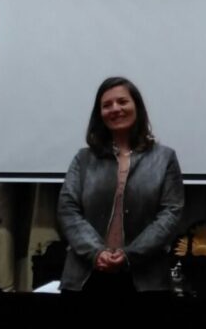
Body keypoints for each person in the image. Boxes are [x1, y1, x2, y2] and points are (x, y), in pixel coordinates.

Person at [57, 76, 185, 298]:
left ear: (137, 107)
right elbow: (68, 210)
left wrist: (129, 255)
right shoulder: (83, 159)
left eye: (122, 102)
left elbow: (170, 214)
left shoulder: (165, 158)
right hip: (86, 277)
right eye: (107, 105)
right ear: (99, 114)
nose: (115, 109)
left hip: (147, 280)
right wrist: (97, 253)